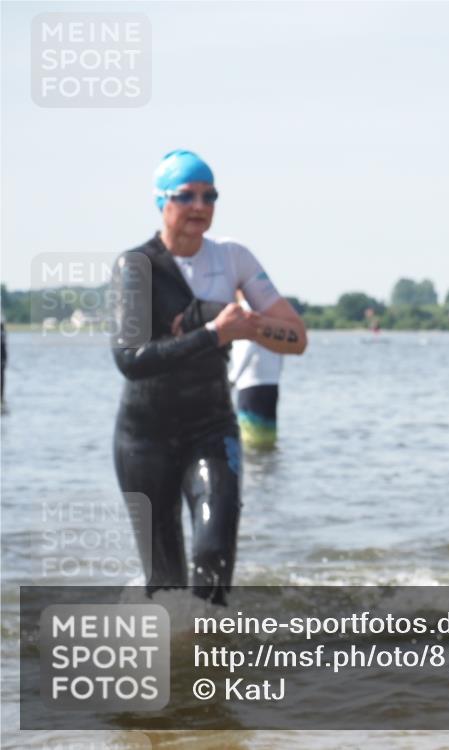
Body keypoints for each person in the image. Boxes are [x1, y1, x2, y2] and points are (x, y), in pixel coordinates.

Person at [111, 149, 307, 605]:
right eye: (187, 195)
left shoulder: (233, 257)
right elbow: (130, 358)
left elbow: (296, 338)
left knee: (214, 557)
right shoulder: (136, 267)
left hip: (211, 430)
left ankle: (214, 664)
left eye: (209, 194)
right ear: (162, 201)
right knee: (165, 584)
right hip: (145, 439)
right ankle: (176, 666)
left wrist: (248, 325)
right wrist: (215, 330)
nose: (200, 205)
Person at [229, 295, 283, 450]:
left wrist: (232, 379)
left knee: (250, 440)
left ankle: (257, 471)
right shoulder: (269, 312)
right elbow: (281, 347)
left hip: (250, 382)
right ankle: (268, 469)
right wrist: (277, 373)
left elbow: (249, 347)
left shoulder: (244, 312)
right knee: (267, 438)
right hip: (271, 382)